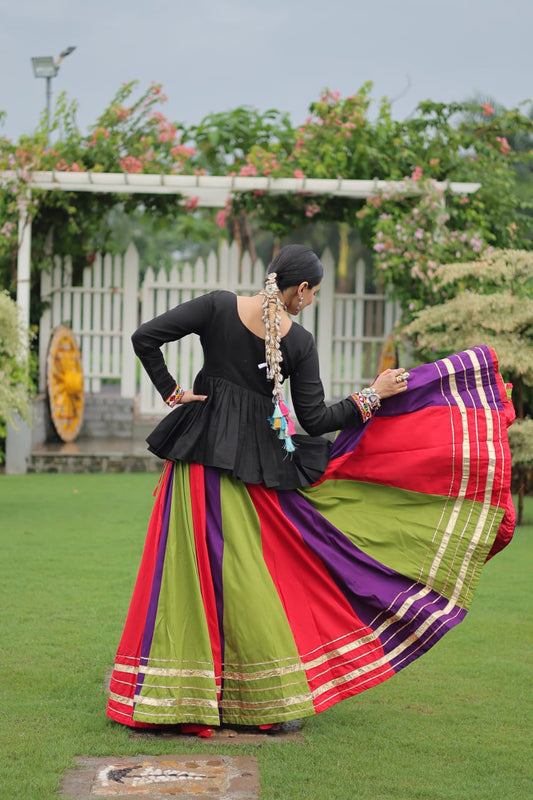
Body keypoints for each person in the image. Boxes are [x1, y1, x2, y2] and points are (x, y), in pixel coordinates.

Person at [106, 244, 515, 736]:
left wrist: (173, 392)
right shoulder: (299, 342)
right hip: (251, 469)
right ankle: (264, 703)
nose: (313, 300)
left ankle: (178, 696)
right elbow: (317, 420)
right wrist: (373, 395)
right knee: (248, 579)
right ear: (299, 290)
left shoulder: (217, 305)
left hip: (198, 462)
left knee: (192, 578)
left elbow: (144, 337)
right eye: (314, 293)